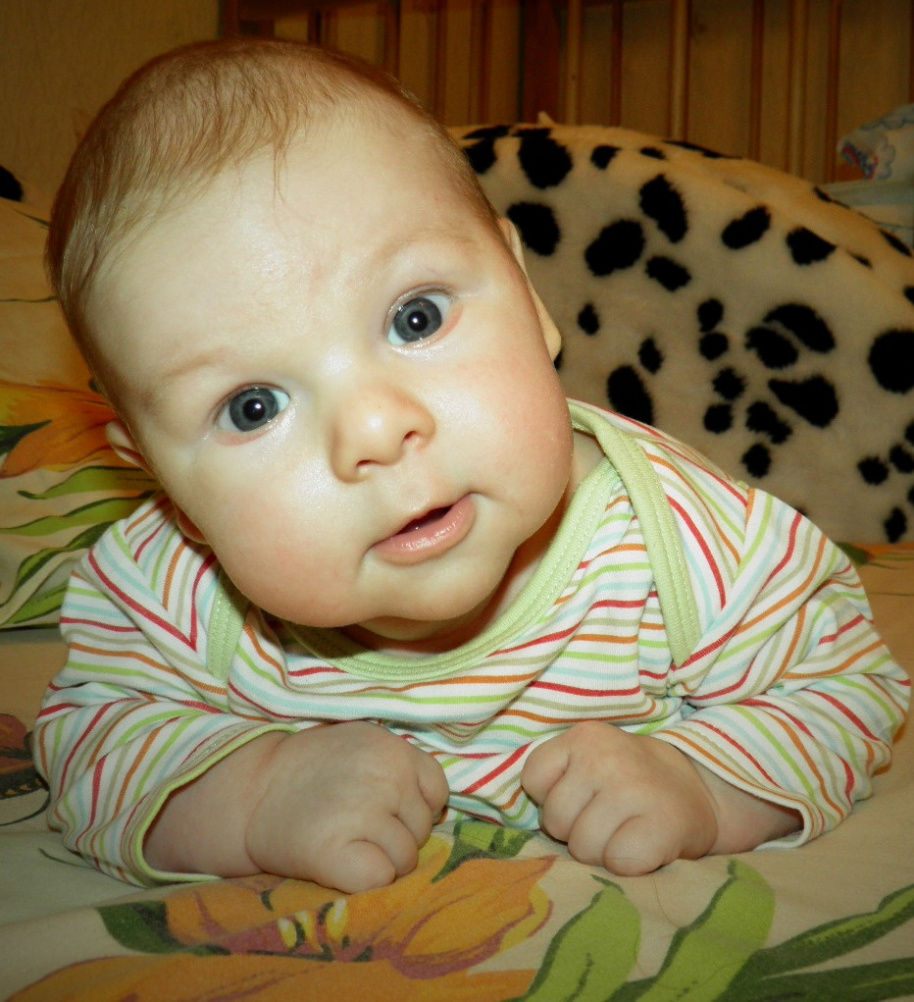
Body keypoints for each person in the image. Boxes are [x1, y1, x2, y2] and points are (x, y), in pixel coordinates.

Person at [36, 38, 909, 894]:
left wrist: (704, 786)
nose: (376, 429)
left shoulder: (684, 546)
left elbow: (845, 687)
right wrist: (254, 796)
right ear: (172, 493)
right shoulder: (176, 595)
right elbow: (91, 745)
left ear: (528, 297)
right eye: (252, 408)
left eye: (415, 319)